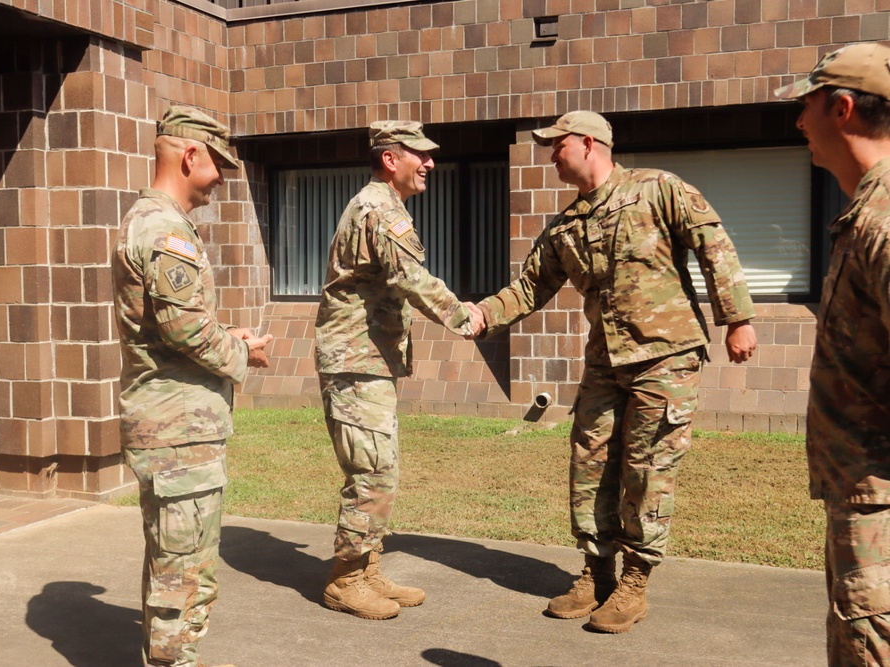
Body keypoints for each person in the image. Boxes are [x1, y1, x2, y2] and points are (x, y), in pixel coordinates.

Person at [474, 110, 757, 633]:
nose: (550, 155)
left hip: (666, 355)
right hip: (605, 360)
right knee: (591, 461)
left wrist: (736, 318)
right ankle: (596, 570)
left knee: (647, 467)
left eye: (557, 145)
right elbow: (530, 286)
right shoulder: (566, 225)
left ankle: (636, 579)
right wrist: (482, 314)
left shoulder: (656, 189)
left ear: (588, 143)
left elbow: (713, 245)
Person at [112, 106, 273, 667]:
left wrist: (225, 335)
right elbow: (185, 330)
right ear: (189, 155)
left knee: (178, 562)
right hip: (177, 430)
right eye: (219, 165)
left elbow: (175, 327)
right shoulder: (163, 230)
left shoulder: (160, 224)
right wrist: (242, 351)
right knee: (182, 574)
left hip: (178, 426)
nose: (223, 178)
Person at [314, 120, 485, 621]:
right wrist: (462, 316)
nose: (430, 163)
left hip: (366, 360)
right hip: (354, 362)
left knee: (381, 467)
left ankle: (367, 570)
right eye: (420, 154)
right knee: (372, 472)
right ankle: (345, 581)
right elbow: (412, 278)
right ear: (391, 159)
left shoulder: (381, 207)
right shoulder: (379, 210)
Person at [775, 42, 890, 665]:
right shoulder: (864, 213)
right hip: (863, 498)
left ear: (842, 107)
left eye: (807, 106)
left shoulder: (883, 221)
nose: (799, 123)